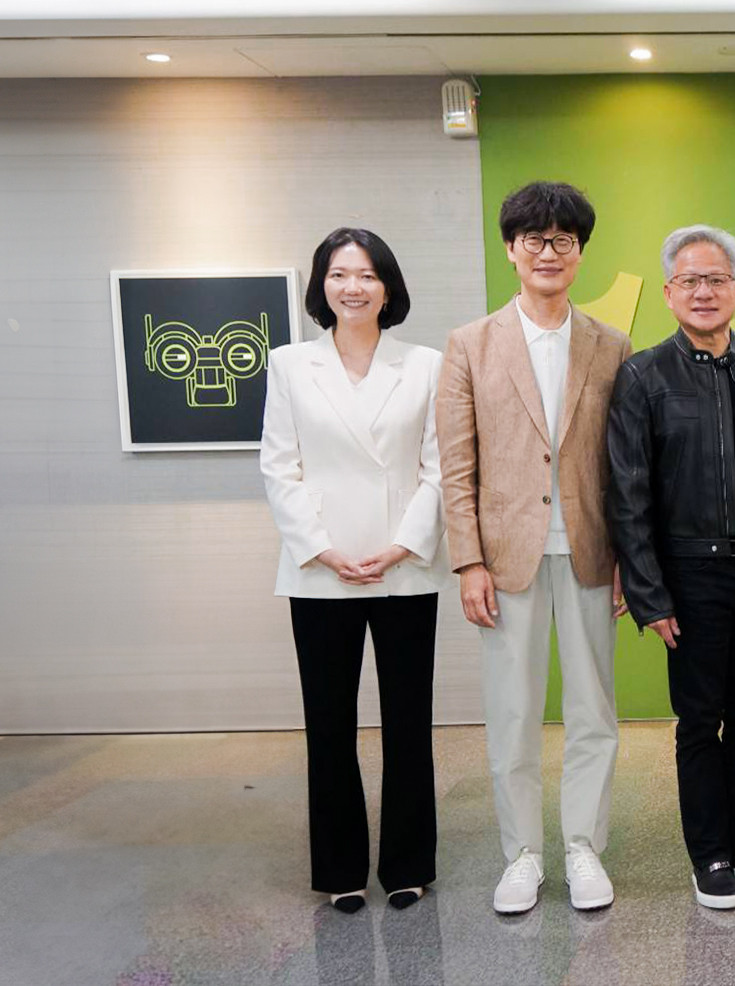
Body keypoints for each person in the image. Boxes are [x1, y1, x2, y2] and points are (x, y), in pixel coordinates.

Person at [606, 224, 735, 910]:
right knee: (699, 721)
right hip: (689, 579)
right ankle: (711, 855)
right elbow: (628, 492)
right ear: (669, 293)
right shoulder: (642, 375)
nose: (704, 291)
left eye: (716, 279)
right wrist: (649, 593)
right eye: (690, 280)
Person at [435, 182, 631, 915]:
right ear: (510, 249)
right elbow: (456, 465)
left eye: (563, 240)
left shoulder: (611, 345)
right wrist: (468, 561)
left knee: (593, 711)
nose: (549, 252)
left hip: (590, 552)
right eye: (534, 240)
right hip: (504, 558)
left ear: (579, 252)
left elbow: (625, 465)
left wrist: (628, 561)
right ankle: (521, 853)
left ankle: (583, 847)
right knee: (513, 713)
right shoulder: (470, 344)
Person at [260, 227, 450, 914]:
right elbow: (279, 466)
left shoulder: (425, 365)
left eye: (367, 275)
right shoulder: (289, 365)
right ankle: (340, 868)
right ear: (322, 286)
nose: (353, 286)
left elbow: (439, 467)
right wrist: (321, 548)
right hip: (321, 571)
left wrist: (403, 544)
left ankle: (407, 864)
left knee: (408, 721)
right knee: (329, 723)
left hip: (404, 568)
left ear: (388, 288)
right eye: (339, 274)